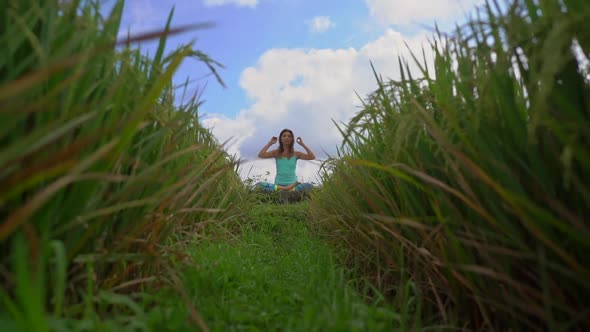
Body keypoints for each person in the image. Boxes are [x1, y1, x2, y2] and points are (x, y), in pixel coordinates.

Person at [255, 128, 315, 193]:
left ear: (292, 139)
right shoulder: (276, 152)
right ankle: (286, 189)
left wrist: (302, 144)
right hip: (278, 185)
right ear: (280, 139)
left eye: (289, 136)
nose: (286, 138)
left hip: (293, 184)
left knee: (310, 186)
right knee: (259, 185)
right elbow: (261, 155)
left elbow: (312, 156)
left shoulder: (296, 154)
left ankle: (289, 189)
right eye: (284, 136)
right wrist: (270, 143)